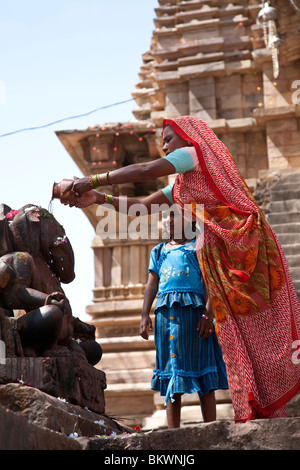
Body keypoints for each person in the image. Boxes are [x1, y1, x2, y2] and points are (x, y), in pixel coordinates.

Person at [62, 116, 300, 423]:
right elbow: (141, 207)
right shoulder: (181, 188)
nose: (164, 144)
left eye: (169, 138)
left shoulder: (193, 154)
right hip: (219, 255)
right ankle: (257, 402)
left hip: (243, 245)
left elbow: (147, 170)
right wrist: (99, 199)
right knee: (239, 333)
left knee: (260, 329)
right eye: (163, 139)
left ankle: (274, 383)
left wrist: (92, 180)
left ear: (188, 139)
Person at [139, 208, 228, 428]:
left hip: (195, 317)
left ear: (189, 219)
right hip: (165, 317)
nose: (168, 219)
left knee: (204, 368)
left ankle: (211, 428)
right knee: (171, 371)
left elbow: (212, 282)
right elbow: (152, 284)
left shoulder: (199, 247)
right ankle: (173, 432)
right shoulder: (159, 251)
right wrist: (144, 314)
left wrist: (209, 314)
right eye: (165, 215)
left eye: (174, 215)